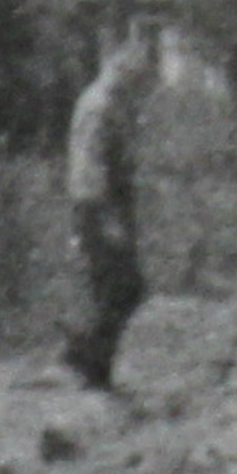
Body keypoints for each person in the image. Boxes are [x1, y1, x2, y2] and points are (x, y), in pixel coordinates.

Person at [61, 35, 156, 389]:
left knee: (118, 288)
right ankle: (84, 358)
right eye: (135, 77)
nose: (138, 86)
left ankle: (90, 361)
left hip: (108, 206)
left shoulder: (114, 105)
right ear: (119, 70)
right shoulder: (98, 106)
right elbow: (90, 168)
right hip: (98, 207)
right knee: (120, 287)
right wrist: (107, 219)